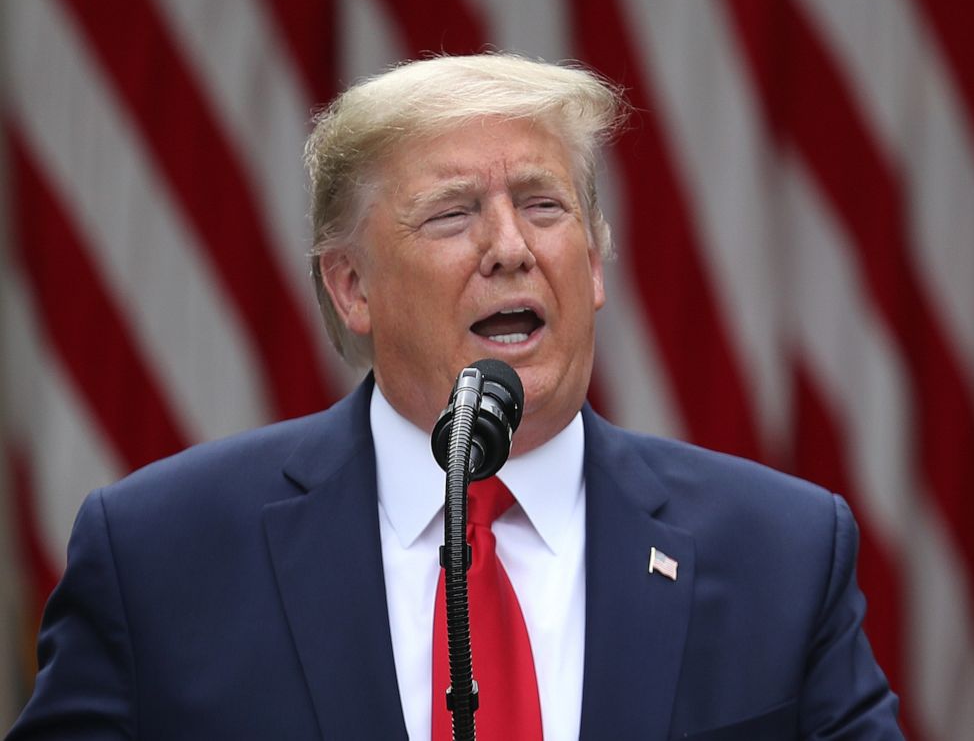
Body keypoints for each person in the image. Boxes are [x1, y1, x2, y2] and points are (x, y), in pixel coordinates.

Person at [7, 53, 902, 740]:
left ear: (593, 265)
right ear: (351, 285)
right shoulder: (161, 557)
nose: (510, 247)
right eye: (452, 214)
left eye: (545, 207)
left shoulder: (781, 555)